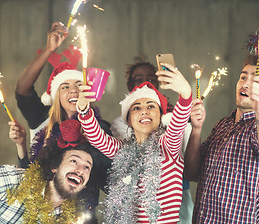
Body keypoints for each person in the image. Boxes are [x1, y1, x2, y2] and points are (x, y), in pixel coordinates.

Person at [14, 21, 112, 221]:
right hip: (39, 212)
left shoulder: (100, 129)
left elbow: (108, 180)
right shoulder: (43, 119)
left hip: (80, 216)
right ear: (56, 95)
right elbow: (22, 90)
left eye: (78, 84)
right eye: (65, 87)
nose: (73, 90)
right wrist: (49, 49)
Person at [77, 62, 192, 223]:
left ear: (160, 117)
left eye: (151, 106)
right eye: (136, 108)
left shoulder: (168, 145)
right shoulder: (122, 149)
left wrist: (186, 94)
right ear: (129, 121)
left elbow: (178, 123)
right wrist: (83, 108)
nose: (144, 110)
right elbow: (97, 137)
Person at [184, 54, 259, 223]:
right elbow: (191, 173)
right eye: (243, 77)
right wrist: (196, 129)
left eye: (256, 81)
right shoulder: (223, 125)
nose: (246, 84)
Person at [0, 119, 96, 224]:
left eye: (87, 167)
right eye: (74, 161)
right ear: (54, 167)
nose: (79, 170)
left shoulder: (69, 218)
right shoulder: (10, 181)